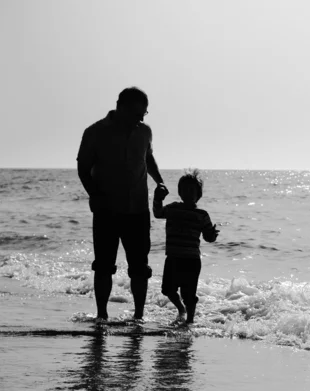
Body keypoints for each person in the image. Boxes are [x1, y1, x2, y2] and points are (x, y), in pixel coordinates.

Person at [76, 86, 168, 322]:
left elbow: (148, 158)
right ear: (122, 107)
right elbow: (83, 168)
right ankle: (102, 316)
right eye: (138, 112)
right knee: (104, 266)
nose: (141, 118)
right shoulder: (95, 132)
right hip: (106, 210)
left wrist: (160, 181)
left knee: (140, 267)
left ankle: (138, 317)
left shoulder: (145, 132)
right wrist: (94, 194)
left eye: (144, 114)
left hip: (138, 210)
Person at [153, 169, 219, 324]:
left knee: (189, 294)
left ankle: (189, 321)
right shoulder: (173, 208)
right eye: (185, 190)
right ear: (180, 192)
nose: (188, 193)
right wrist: (157, 199)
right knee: (168, 290)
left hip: (192, 260)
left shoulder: (202, 215)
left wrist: (212, 235)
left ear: (198, 194)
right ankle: (181, 309)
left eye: (192, 190)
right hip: (173, 258)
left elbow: (208, 237)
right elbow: (157, 213)